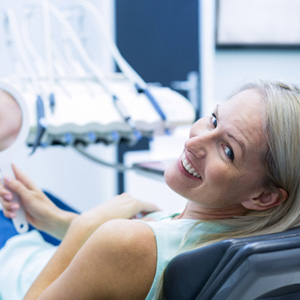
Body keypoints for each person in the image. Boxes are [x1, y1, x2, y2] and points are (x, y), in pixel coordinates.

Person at [0, 79, 300, 300]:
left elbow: (118, 254)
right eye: (213, 120)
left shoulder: (125, 243)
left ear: (264, 197)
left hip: (16, 272)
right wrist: (60, 222)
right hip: (56, 256)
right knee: (42, 197)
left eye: (228, 150)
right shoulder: (257, 243)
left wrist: (83, 227)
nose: (193, 142)